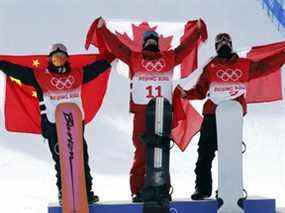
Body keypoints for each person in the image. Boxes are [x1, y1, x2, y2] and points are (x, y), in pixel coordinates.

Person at [96, 17, 207, 202]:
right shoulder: (134, 58)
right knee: (141, 151)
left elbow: (185, 48)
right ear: (143, 43)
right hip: (142, 111)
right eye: (147, 40)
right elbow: (117, 47)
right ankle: (138, 190)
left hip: (162, 112)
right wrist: (103, 30)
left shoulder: (169, 58)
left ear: (157, 43)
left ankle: (162, 187)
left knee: (161, 150)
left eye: (153, 41)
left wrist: (196, 31)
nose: (150, 43)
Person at [0, 43, 112, 204]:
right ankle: (64, 192)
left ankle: (86, 192)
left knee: (81, 158)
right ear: (50, 59)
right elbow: (17, 71)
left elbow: (96, 68)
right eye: (55, 57)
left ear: (67, 59)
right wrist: (2, 63)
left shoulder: (78, 74)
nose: (58, 60)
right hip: (53, 126)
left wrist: (112, 55)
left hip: (75, 125)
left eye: (61, 57)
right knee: (61, 161)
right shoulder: (39, 76)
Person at [178, 33, 285, 200]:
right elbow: (200, 90)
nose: (223, 44)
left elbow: (266, 65)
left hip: (232, 116)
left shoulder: (243, 64)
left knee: (231, 154)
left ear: (231, 44)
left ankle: (230, 189)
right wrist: (187, 94)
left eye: (226, 40)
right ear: (215, 46)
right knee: (205, 152)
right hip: (212, 114)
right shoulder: (211, 66)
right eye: (219, 41)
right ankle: (202, 189)